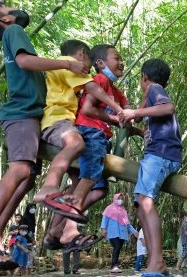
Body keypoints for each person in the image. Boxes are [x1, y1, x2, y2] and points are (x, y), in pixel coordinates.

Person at [0, 0, 89, 269]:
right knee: (20, 171)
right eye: (7, 7)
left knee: (26, 180)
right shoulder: (14, 31)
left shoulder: (9, 33)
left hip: (31, 116)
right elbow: (25, 61)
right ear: (4, 19)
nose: (13, 9)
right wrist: (66, 65)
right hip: (21, 113)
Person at [51, 44, 136, 254]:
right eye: (116, 57)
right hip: (89, 132)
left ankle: (55, 230)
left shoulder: (115, 89)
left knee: (96, 189)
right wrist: (117, 117)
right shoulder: (99, 80)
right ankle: (70, 219)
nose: (121, 62)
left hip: (99, 135)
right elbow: (88, 109)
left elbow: (128, 113)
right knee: (90, 182)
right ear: (100, 63)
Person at [34, 40, 125, 226]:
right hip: (58, 120)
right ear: (82, 54)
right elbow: (92, 90)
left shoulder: (64, 66)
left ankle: (67, 227)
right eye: (88, 66)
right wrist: (118, 109)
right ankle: (49, 186)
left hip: (67, 122)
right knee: (78, 144)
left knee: (77, 178)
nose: (87, 71)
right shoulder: (67, 64)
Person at [118, 58, 182, 277]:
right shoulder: (154, 93)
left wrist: (135, 111)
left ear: (144, 77)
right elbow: (155, 127)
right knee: (139, 203)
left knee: (145, 202)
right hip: (158, 155)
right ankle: (157, 261)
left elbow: (168, 108)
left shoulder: (155, 89)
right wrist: (135, 129)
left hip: (161, 155)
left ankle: (157, 261)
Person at [100, 193, 138, 273]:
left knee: (118, 248)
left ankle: (115, 265)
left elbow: (127, 223)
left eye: (121, 198)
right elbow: (105, 219)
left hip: (122, 233)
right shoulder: (109, 208)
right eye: (118, 198)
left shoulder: (123, 210)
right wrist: (103, 229)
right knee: (116, 246)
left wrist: (134, 231)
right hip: (113, 232)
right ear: (115, 198)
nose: (120, 200)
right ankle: (114, 265)